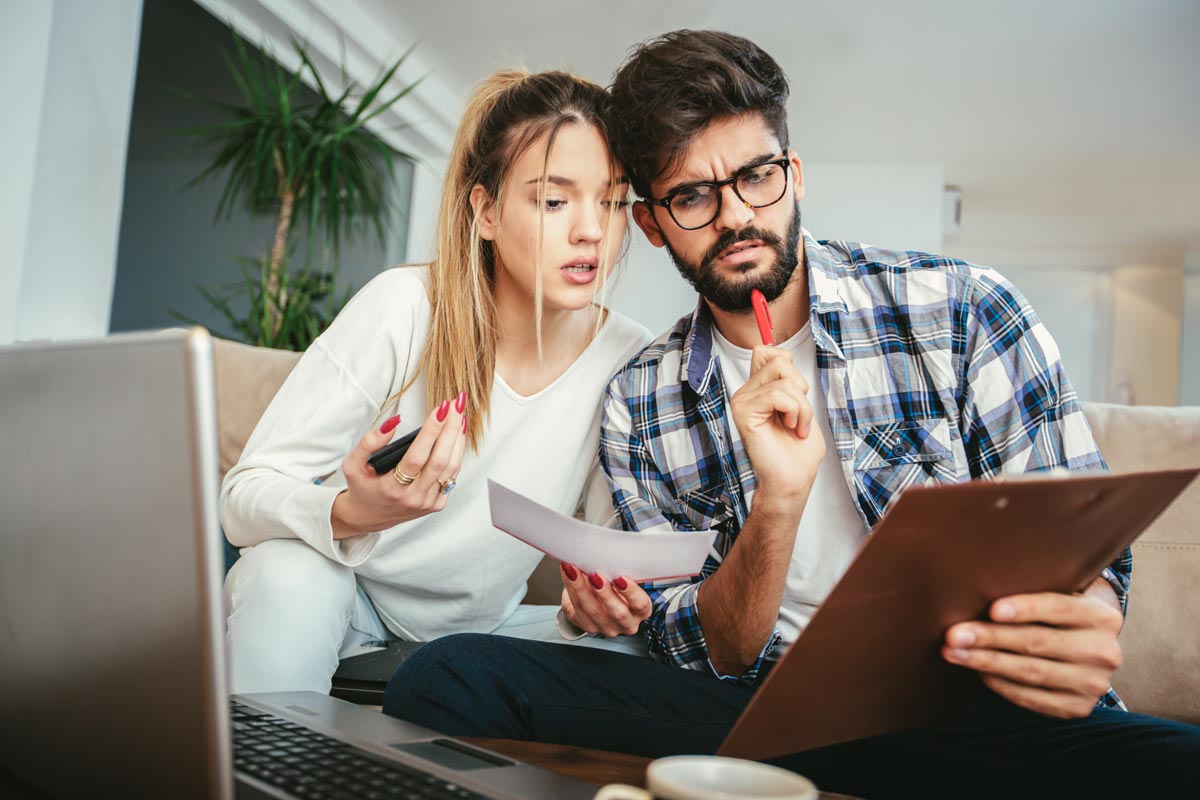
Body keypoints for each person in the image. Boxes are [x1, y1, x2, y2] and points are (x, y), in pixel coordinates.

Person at [382, 31, 1200, 797]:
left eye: (757, 177)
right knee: (445, 676)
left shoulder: (961, 309)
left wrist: (1087, 624)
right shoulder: (640, 399)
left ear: (795, 173)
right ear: (652, 224)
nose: (736, 215)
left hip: (981, 716)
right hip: (759, 717)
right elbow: (711, 648)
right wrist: (777, 503)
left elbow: (1085, 548)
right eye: (693, 195)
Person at [220, 69, 651, 695]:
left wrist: (593, 607)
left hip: (487, 636)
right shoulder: (406, 306)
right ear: (486, 211)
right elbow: (244, 495)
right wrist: (353, 511)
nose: (592, 230)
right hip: (351, 605)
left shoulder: (629, 356)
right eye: (554, 201)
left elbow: (607, 555)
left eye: (612, 201)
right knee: (287, 572)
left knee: (649, 654)